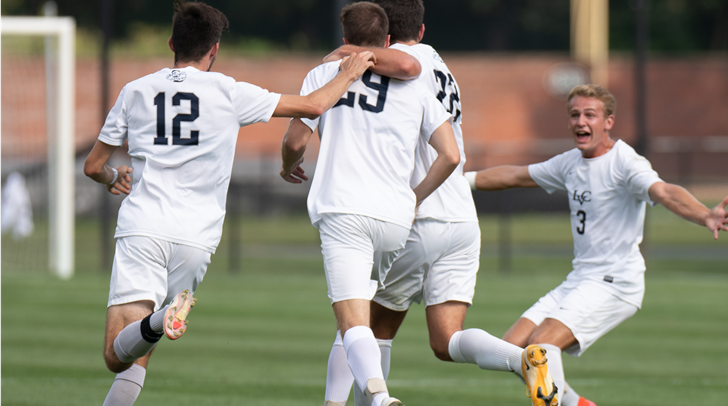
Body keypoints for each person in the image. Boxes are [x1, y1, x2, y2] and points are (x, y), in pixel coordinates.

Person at [82, 1, 376, 405]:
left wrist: (114, 177)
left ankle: (153, 320)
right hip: (196, 239)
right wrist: (349, 72)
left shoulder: (136, 91)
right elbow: (313, 106)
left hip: (144, 226)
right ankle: (157, 320)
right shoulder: (229, 91)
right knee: (138, 356)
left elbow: (94, 165)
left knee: (117, 354)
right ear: (214, 49)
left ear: (172, 42)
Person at [316, 1, 560, 406]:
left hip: (418, 214)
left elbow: (397, 73)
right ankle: (520, 359)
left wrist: (341, 53)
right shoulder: (442, 66)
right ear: (424, 30)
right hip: (461, 219)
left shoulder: (401, 64)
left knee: (360, 328)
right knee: (446, 340)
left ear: (386, 38)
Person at [467, 84, 728, 406]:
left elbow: (664, 192)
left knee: (541, 346)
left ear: (608, 121)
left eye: (590, 115)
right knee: (512, 349)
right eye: (575, 115)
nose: (581, 121)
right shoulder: (570, 163)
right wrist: (458, 181)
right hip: (581, 279)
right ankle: (576, 404)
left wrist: (704, 214)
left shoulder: (625, 162)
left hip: (616, 282)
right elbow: (513, 175)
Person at [279, 3, 461, 406]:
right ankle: (334, 403)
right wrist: (414, 198)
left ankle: (380, 397)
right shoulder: (416, 84)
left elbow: (294, 141)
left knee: (352, 322)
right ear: (388, 41)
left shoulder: (325, 72)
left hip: (344, 210)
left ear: (345, 41)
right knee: (356, 318)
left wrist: (287, 167)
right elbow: (450, 155)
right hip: (396, 218)